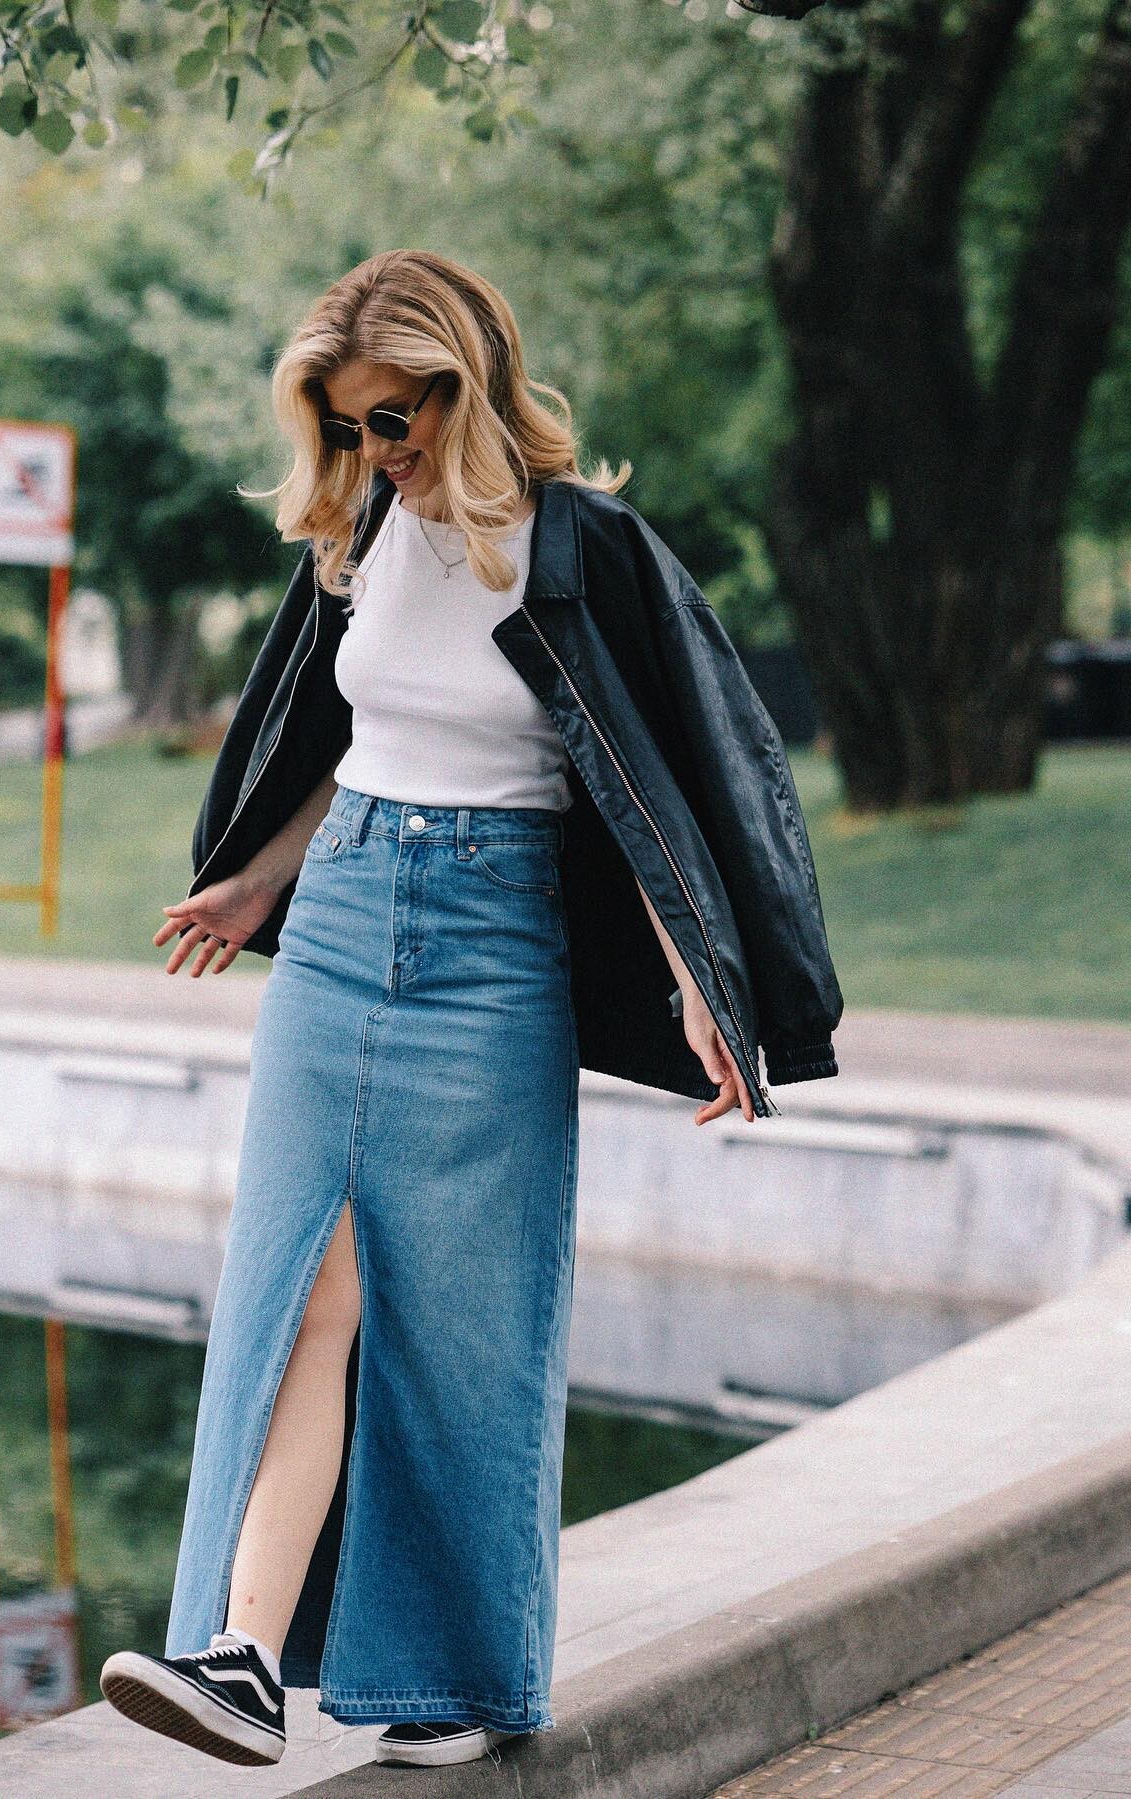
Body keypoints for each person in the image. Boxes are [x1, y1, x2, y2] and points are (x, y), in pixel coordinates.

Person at [99, 249, 842, 1771]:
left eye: (400, 414)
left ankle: (439, 1679)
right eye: (351, 423)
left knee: (464, 1324)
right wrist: (256, 883)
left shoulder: (581, 547)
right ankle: (240, 1657)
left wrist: (704, 982)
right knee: (305, 1286)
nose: (379, 447)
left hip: (498, 945)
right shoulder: (363, 533)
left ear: (472, 379)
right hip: (344, 918)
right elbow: (351, 741)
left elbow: (642, 781)